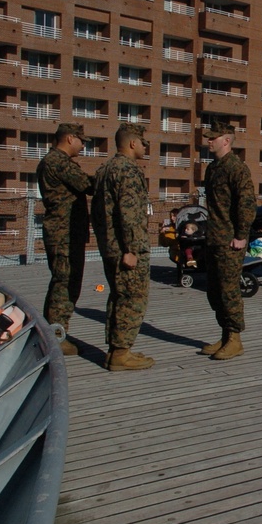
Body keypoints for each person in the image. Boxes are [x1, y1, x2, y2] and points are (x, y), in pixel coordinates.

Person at [91, 123, 154, 371]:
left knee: (118, 297)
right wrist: (131, 249)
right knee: (132, 299)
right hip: (128, 248)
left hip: (110, 246)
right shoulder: (127, 170)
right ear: (132, 143)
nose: (145, 146)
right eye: (143, 142)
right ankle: (120, 353)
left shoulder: (105, 169)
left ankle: (117, 350)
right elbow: (129, 215)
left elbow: (98, 214)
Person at [200, 121, 257, 360]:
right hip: (214, 237)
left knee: (229, 290)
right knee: (214, 290)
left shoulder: (237, 168)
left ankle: (235, 339)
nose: (208, 141)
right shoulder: (212, 169)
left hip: (230, 240)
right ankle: (225, 334)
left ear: (227, 140)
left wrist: (241, 236)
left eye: (213, 138)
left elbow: (246, 204)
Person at [36, 123, 94, 356]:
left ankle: (51, 331)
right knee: (65, 284)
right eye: (81, 141)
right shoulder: (59, 162)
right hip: (64, 233)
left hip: (64, 232)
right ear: (70, 138)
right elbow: (88, 185)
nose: (82, 146)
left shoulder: (50, 161)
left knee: (62, 282)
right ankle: (56, 336)